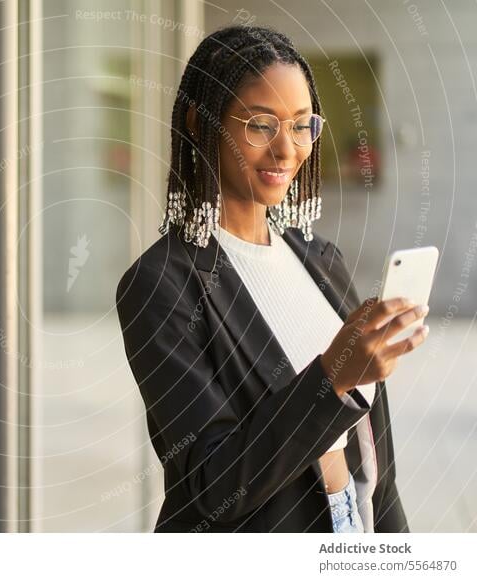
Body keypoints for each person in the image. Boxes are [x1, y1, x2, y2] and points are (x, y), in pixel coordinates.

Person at [115, 25, 427, 533]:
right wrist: (333, 377)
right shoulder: (161, 284)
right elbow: (214, 484)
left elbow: (378, 465)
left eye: (302, 125)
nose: (287, 150)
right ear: (202, 123)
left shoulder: (320, 258)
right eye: (262, 125)